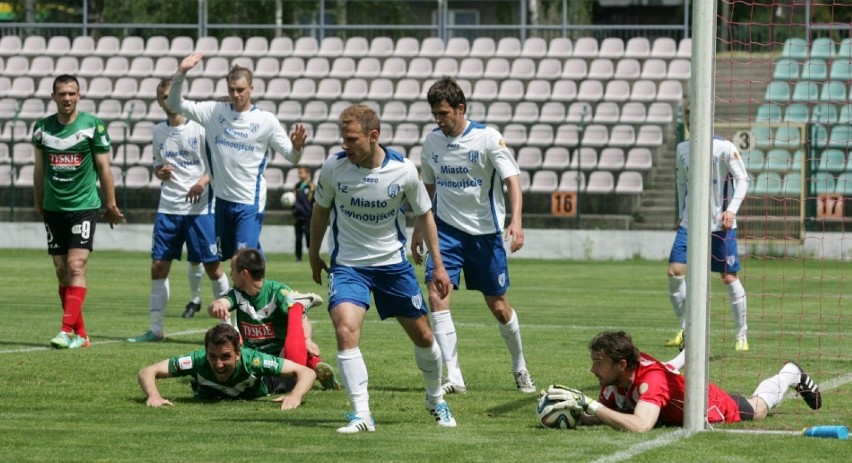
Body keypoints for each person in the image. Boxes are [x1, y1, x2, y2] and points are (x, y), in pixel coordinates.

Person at [309, 104, 456, 433]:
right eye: (343, 139)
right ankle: (362, 414)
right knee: (345, 329)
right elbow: (320, 211)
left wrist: (440, 267)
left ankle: (435, 398)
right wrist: (313, 252)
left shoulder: (403, 170)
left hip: (393, 266)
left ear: (374, 136)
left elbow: (425, 215)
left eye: (352, 140)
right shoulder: (333, 168)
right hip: (349, 266)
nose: (344, 146)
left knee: (424, 336)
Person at [410, 75, 534, 395]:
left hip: (485, 235)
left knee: (499, 306)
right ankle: (455, 376)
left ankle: (520, 365)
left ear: (460, 108)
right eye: (435, 115)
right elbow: (427, 188)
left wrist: (516, 222)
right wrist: (418, 230)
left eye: (444, 114)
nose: (439, 121)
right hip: (446, 233)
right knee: (437, 295)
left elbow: (512, 181)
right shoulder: (432, 142)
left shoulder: (488, 138)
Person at [166, 52, 307, 261]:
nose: (236, 94)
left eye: (241, 90)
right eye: (231, 90)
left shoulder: (266, 121)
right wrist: (182, 72)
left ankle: (256, 292)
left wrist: (296, 147)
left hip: (250, 201)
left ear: (251, 89)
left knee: (242, 261)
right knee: (235, 259)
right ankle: (268, 290)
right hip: (223, 201)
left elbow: (292, 158)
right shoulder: (214, 112)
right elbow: (174, 105)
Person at [540, 330, 822, 432]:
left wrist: (589, 403)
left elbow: (639, 426)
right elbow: (613, 416)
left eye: (598, 363)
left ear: (621, 364)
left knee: (757, 409)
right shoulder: (615, 379)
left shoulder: (652, 381)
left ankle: (790, 373)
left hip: (709, 406)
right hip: (677, 402)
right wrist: (575, 414)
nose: (592, 370)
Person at [127, 78, 230, 343]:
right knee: (158, 266)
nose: (167, 101)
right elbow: (157, 165)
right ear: (159, 101)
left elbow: (216, 166)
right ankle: (156, 328)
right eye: (162, 97)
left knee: (213, 268)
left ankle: (233, 324)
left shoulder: (200, 128)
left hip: (201, 210)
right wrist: (158, 171)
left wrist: (201, 182)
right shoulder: (158, 131)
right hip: (169, 208)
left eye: (170, 95)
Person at [32, 74, 124, 349]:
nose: (67, 98)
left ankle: (64, 330)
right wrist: (38, 202)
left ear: (79, 95)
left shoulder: (93, 126)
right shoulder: (41, 129)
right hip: (53, 208)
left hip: (83, 207)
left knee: (76, 266)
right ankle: (81, 335)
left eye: (72, 93)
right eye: (62, 93)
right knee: (61, 270)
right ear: (54, 97)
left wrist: (110, 204)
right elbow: (39, 169)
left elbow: (104, 168)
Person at [666, 111, 750, 351]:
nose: (694, 126)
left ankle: (741, 334)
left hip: (719, 223)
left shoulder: (724, 147)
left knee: (728, 277)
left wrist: (731, 210)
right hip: (690, 222)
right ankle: (686, 329)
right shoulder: (683, 149)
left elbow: (743, 179)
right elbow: (682, 182)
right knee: (675, 272)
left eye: (698, 122)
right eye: (691, 122)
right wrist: (681, 212)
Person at [207, 247, 341, 391]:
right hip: (254, 357)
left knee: (267, 381)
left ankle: (303, 371)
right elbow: (221, 302)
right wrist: (217, 306)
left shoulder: (278, 292)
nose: (231, 274)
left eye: (232, 269)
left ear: (244, 274)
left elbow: (302, 318)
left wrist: (307, 339)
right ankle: (314, 364)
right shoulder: (237, 293)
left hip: (281, 357)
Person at [137, 323, 316, 409]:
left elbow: (306, 373)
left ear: (238, 353)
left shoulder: (254, 360)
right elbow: (147, 372)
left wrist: (295, 396)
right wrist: (154, 396)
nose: (218, 364)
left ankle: (301, 314)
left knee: (292, 375)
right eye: (212, 356)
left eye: (225, 356)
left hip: (268, 386)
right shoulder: (196, 360)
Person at [292, 166, 315, 262]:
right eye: (299, 172)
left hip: (308, 216)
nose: (299, 174)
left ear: (307, 174)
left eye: (301, 172)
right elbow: (293, 200)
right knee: (298, 238)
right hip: (298, 216)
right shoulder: (296, 186)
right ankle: (298, 257)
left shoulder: (311, 186)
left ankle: (312, 256)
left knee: (309, 237)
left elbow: (313, 201)